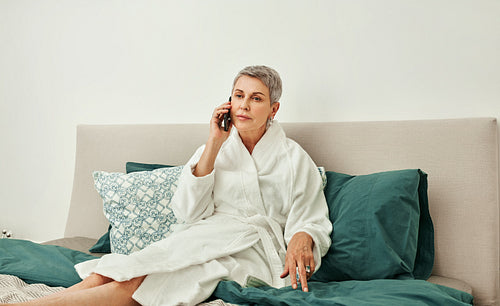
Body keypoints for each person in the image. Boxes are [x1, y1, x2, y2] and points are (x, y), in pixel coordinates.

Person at [16, 65, 332, 306]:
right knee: (119, 268)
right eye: (239, 95)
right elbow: (188, 212)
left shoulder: (293, 158)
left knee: (139, 281)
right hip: (201, 237)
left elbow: (310, 216)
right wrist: (213, 142)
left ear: (273, 109)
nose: (244, 105)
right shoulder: (215, 148)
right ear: (229, 100)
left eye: (256, 98)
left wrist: (303, 235)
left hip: (248, 254)